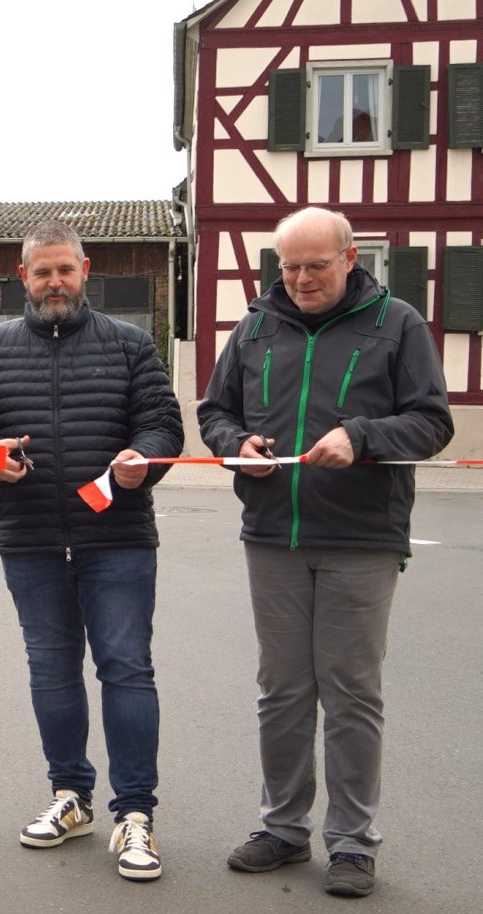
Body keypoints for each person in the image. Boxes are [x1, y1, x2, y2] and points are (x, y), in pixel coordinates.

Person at [199, 206, 452, 899]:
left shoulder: (397, 323)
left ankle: (351, 842)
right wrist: (236, 445)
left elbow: (432, 422)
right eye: (290, 267)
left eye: (316, 266)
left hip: (361, 538)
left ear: (349, 259)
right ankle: (283, 829)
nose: (302, 279)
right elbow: (215, 412)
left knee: (350, 692)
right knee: (281, 691)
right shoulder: (254, 327)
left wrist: (362, 436)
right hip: (272, 534)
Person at [0, 220, 182, 881]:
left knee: (126, 670)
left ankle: (135, 815)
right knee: (51, 671)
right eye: (42, 272)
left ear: (85, 271)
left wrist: (143, 458)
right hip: (31, 539)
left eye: (65, 270)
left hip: (117, 537)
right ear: (23, 277)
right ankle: (71, 795)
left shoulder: (130, 345)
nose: (54, 282)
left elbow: (163, 424)